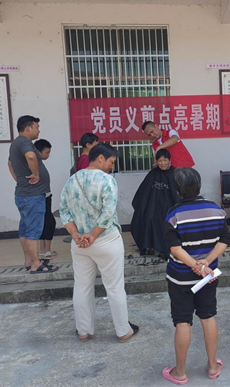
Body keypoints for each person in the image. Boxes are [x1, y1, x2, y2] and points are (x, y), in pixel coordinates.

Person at [60, 143, 139, 343]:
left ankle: (83, 331)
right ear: (101, 158)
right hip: (106, 240)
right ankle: (123, 331)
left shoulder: (72, 180)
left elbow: (64, 212)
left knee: (82, 287)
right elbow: (108, 213)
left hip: (79, 244)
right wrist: (93, 235)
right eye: (112, 161)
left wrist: (75, 234)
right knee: (114, 287)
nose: (112, 166)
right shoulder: (107, 180)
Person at [162, 167, 230, 384]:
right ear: (199, 186)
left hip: (180, 277)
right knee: (208, 316)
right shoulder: (216, 210)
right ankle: (212, 366)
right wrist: (206, 263)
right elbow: (224, 240)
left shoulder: (173, 214)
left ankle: (180, 372)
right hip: (208, 276)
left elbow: (175, 248)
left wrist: (195, 265)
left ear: (178, 191)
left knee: (183, 322)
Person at [8, 115, 58, 274]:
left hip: (24, 194)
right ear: (28, 128)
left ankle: (29, 261)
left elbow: (10, 164)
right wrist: (36, 174)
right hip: (33, 195)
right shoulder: (24, 142)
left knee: (25, 229)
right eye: (37, 127)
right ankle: (36, 263)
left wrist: (20, 180)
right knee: (33, 231)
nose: (38, 131)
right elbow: (30, 156)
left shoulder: (15, 143)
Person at [131, 149, 180, 258]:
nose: (162, 163)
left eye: (165, 160)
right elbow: (144, 192)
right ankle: (148, 246)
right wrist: (141, 206)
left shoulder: (175, 173)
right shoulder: (153, 173)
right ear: (156, 161)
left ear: (170, 160)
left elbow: (177, 193)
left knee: (166, 221)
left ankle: (166, 248)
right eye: (160, 161)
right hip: (152, 205)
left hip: (169, 205)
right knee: (148, 218)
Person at [34, 139, 57, 259]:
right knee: (49, 222)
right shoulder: (34, 164)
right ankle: (46, 250)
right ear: (38, 152)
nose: (48, 155)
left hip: (45, 195)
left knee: (44, 221)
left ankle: (44, 249)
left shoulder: (38, 163)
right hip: (41, 196)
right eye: (46, 152)